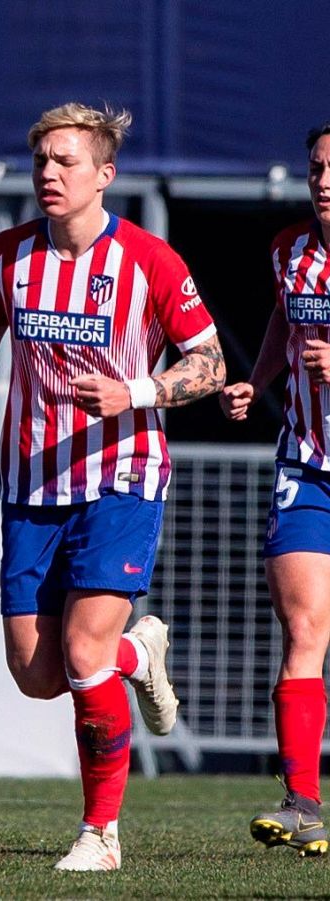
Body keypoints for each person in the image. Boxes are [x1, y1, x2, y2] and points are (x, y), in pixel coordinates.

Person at [0, 103, 225, 871]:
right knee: (37, 674)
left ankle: (100, 832)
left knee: (79, 648)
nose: (49, 174)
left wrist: (135, 393)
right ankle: (142, 651)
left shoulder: (150, 261)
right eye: (42, 161)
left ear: (104, 175)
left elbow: (209, 363)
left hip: (122, 480)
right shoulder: (8, 255)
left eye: (66, 162)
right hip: (33, 482)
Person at [220, 121, 330, 859]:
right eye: (317, 167)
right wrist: (256, 380)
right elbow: (282, 322)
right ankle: (304, 802)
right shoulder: (289, 251)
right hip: (307, 462)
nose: (323, 179)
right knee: (304, 630)